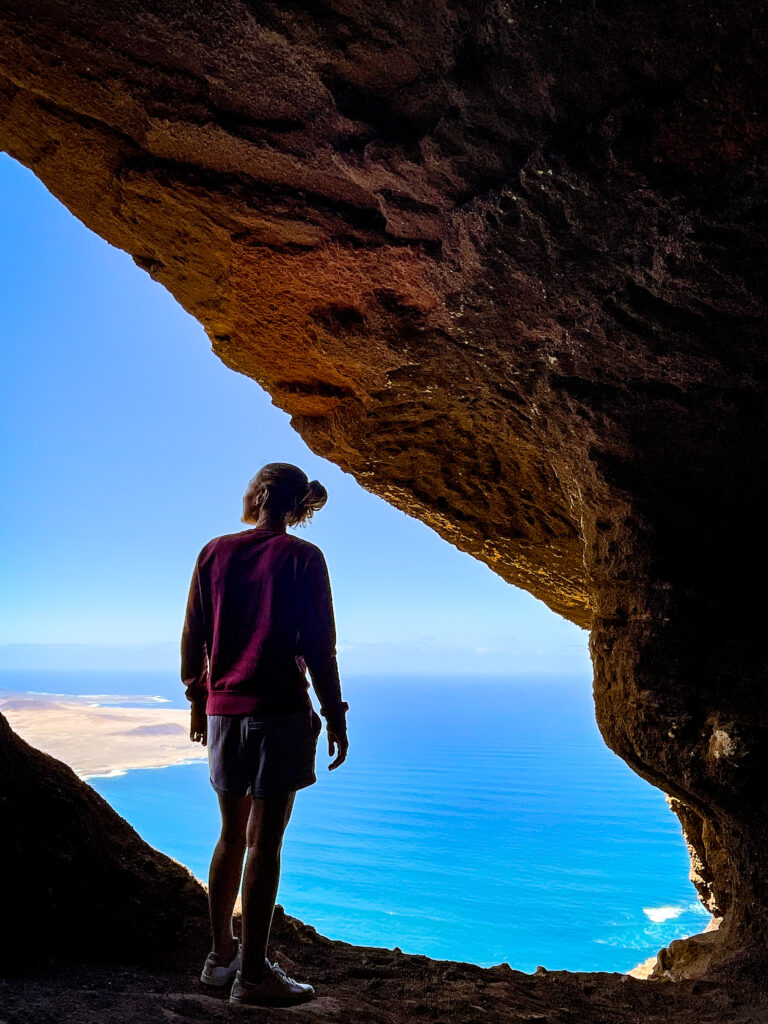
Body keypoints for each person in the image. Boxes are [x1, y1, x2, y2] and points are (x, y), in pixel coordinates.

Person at [181, 462, 349, 1007]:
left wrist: (198, 702)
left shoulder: (214, 552)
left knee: (231, 835)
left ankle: (219, 959)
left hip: (224, 712)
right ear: (300, 509)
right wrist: (335, 713)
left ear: (254, 497)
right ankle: (253, 977)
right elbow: (319, 647)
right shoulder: (303, 558)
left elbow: (195, 637)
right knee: (265, 842)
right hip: (278, 713)